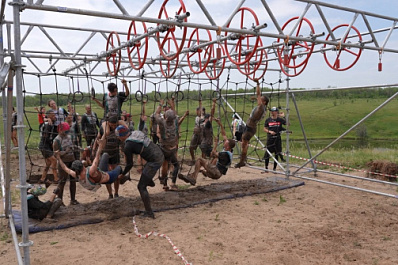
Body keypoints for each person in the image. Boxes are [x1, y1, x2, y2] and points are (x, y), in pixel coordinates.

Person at [115, 126, 165, 219]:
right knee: (145, 176)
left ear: (122, 136)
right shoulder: (135, 133)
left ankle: (149, 213)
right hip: (159, 153)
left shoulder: (128, 145)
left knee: (141, 186)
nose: (118, 138)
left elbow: (129, 164)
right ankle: (149, 180)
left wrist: (122, 174)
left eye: (118, 136)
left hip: (154, 160)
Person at [54, 134, 126, 193]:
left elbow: (65, 168)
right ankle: (123, 179)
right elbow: (97, 157)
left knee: (105, 156)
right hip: (109, 178)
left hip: (98, 179)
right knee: (118, 168)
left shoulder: (76, 175)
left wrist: (58, 158)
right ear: (82, 166)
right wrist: (100, 145)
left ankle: (113, 172)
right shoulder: (91, 171)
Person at [179, 118, 235, 185]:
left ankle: (193, 178)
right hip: (215, 172)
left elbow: (213, 153)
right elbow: (224, 135)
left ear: (228, 146)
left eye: (226, 142)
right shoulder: (229, 150)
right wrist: (220, 125)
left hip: (216, 172)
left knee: (200, 160)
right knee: (212, 160)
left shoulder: (225, 154)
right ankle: (198, 174)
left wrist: (215, 144)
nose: (225, 141)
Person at [153, 98, 188, 191]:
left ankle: (165, 184)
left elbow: (156, 114)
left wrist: (161, 104)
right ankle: (173, 183)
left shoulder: (162, 123)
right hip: (172, 149)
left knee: (164, 165)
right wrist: (172, 104)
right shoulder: (175, 122)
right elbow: (175, 114)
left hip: (164, 148)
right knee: (176, 165)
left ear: (165, 117)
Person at [235, 80, 269, 168]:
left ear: (264, 102)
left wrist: (257, 83)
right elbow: (258, 97)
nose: (259, 99)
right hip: (250, 127)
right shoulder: (262, 108)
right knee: (243, 144)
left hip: (250, 128)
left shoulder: (261, 107)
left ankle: (242, 161)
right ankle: (243, 159)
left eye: (261, 99)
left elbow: (258, 94)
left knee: (244, 143)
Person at [97, 114, 128, 199]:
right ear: (108, 123)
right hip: (105, 155)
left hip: (115, 154)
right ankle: (110, 194)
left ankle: (116, 193)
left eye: (115, 125)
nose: (113, 127)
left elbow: (122, 141)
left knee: (116, 175)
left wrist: (124, 152)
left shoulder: (119, 129)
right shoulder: (103, 129)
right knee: (107, 175)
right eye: (112, 125)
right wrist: (96, 151)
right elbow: (97, 139)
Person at [53, 122, 79, 205]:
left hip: (72, 161)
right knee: (62, 182)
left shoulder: (70, 137)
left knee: (73, 180)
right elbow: (56, 154)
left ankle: (73, 199)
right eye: (65, 131)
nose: (67, 132)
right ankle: (59, 201)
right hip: (63, 162)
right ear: (60, 130)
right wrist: (65, 151)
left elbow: (73, 147)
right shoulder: (56, 140)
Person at [38, 109, 59, 184]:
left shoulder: (51, 123)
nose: (54, 116)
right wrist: (51, 145)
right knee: (54, 160)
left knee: (48, 163)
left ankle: (42, 178)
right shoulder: (48, 125)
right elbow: (46, 137)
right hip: (44, 146)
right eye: (53, 115)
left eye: (54, 115)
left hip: (45, 145)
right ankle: (56, 178)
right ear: (49, 116)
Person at [263, 107, 287, 171]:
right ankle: (266, 167)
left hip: (277, 139)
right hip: (270, 139)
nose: (272, 112)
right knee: (267, 153)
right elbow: (264, 129)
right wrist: (270, 132)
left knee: (277, 153)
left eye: (273, 111)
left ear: (276, 112)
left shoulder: (280, 119)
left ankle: (274, 168)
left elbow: (288, 124)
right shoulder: (268, 120)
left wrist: (284, 117)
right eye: (271, 111)